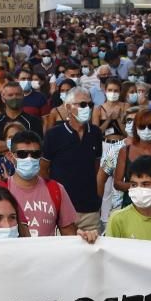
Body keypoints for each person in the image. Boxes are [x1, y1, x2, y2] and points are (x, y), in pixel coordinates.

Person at [41, 88, 103, 231]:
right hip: (61, 210)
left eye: (90, 104)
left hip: (89, 210)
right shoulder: (54, 135)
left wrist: (97, 198)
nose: (87, 108)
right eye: (82, 104)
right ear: (68, 107)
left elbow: (96, 167)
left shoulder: (95, 133)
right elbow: (43, 169)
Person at [0, 130, 77, 237]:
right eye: (22, 154)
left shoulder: (56, 189)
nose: (29, 158)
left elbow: (70, 236)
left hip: (46, 253)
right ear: (11, 157)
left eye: (35, 154)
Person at [0, 81, 44, 155]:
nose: (14, 97)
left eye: (18, 94)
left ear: (23, 96)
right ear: (3, 98)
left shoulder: (34, 121)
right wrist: (22, 144)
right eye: (10, 95)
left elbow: (35, 147)